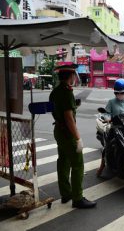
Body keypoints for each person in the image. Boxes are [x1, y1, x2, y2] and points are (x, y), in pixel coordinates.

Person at [49, 64, 97, 209]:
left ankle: (66, 193)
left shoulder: (55, 92)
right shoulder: (66, 92)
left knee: (63, 161)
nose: (75, 78)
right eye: (74, 75)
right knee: (77, 165)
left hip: (58, 130)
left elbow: (60, 109)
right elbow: (69, 117)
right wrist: (77, 138)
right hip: (67, 132)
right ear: (70, 76)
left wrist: (73, 106)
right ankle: (77, 198)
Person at [97, 79, 124, 176]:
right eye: (118, 93)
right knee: (108, 146)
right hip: (115, 128)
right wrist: (108, 118)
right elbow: (106, 113)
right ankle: (103, 165)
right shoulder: (111, 102)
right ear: (115, 93)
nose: (120, 95)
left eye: (122, 93)